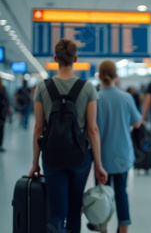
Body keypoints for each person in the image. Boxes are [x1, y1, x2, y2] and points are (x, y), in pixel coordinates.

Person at [28, 39, 107, 233]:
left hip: (52, 157)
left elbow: (39, 128)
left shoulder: (42, 87)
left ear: (55, 59)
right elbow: (92, 129)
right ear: (76, 59)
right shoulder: (87, 87)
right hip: (80, 157)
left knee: (57, 212)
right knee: (74, 210)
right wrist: (98, 164)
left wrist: (35, 162)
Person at [96, 60, 141, 233]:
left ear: (99, 76)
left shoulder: (95, 98)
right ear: (116, 76)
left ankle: (103, 228)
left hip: (102, 156)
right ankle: (123, 229)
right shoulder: (126, 98)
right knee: (121, 192)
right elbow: (137, 123)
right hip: (122, 154)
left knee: (103, 194)